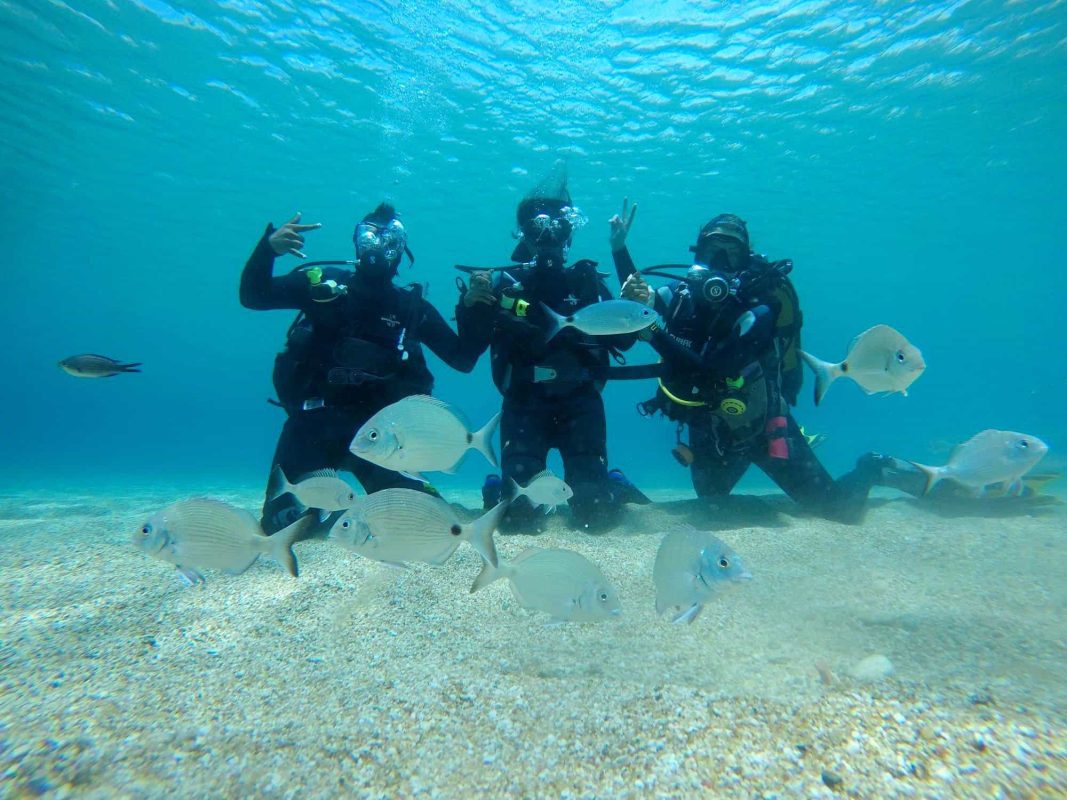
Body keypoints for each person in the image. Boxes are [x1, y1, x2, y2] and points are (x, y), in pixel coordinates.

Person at [611, 203, 885, 523]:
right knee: (712, 505)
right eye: (713, 250)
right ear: (698, 254)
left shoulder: (759, 309)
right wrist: (619, 250)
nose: (720, 261)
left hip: (763, 428)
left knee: (839, 509)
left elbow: (711, 370)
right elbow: (637, 304)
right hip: (708, 428)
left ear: (745, 259)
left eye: (731, 252)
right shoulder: (678, 297)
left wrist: (653, 331)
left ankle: (873, 467)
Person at [240, 203, 483, 534]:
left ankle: (401, 499)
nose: (379, 247)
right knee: (281, 528)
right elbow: (254, 296)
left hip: (383, 440)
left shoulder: (411, 309)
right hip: (312, 427)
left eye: (391, 239)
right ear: (356, 242)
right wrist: (268, 249)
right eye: (369, 236)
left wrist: (471, 310)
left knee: (423, 525)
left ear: (402, 250)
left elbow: (462, 359)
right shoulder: (321, 286)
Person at [457, 175, 646, 534]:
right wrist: (470, 306)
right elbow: (468, 352)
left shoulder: (587, 281)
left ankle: (611, 483)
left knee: (596, 516)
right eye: (536, 228)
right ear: (523, 236)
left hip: (581, 404)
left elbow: (623, 340)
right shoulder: (504, 286)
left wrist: (622, 255)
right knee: (516, 521)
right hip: (524, 404)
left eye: (557, 228)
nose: (547, 237)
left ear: (568, 234)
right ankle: (500, 487)